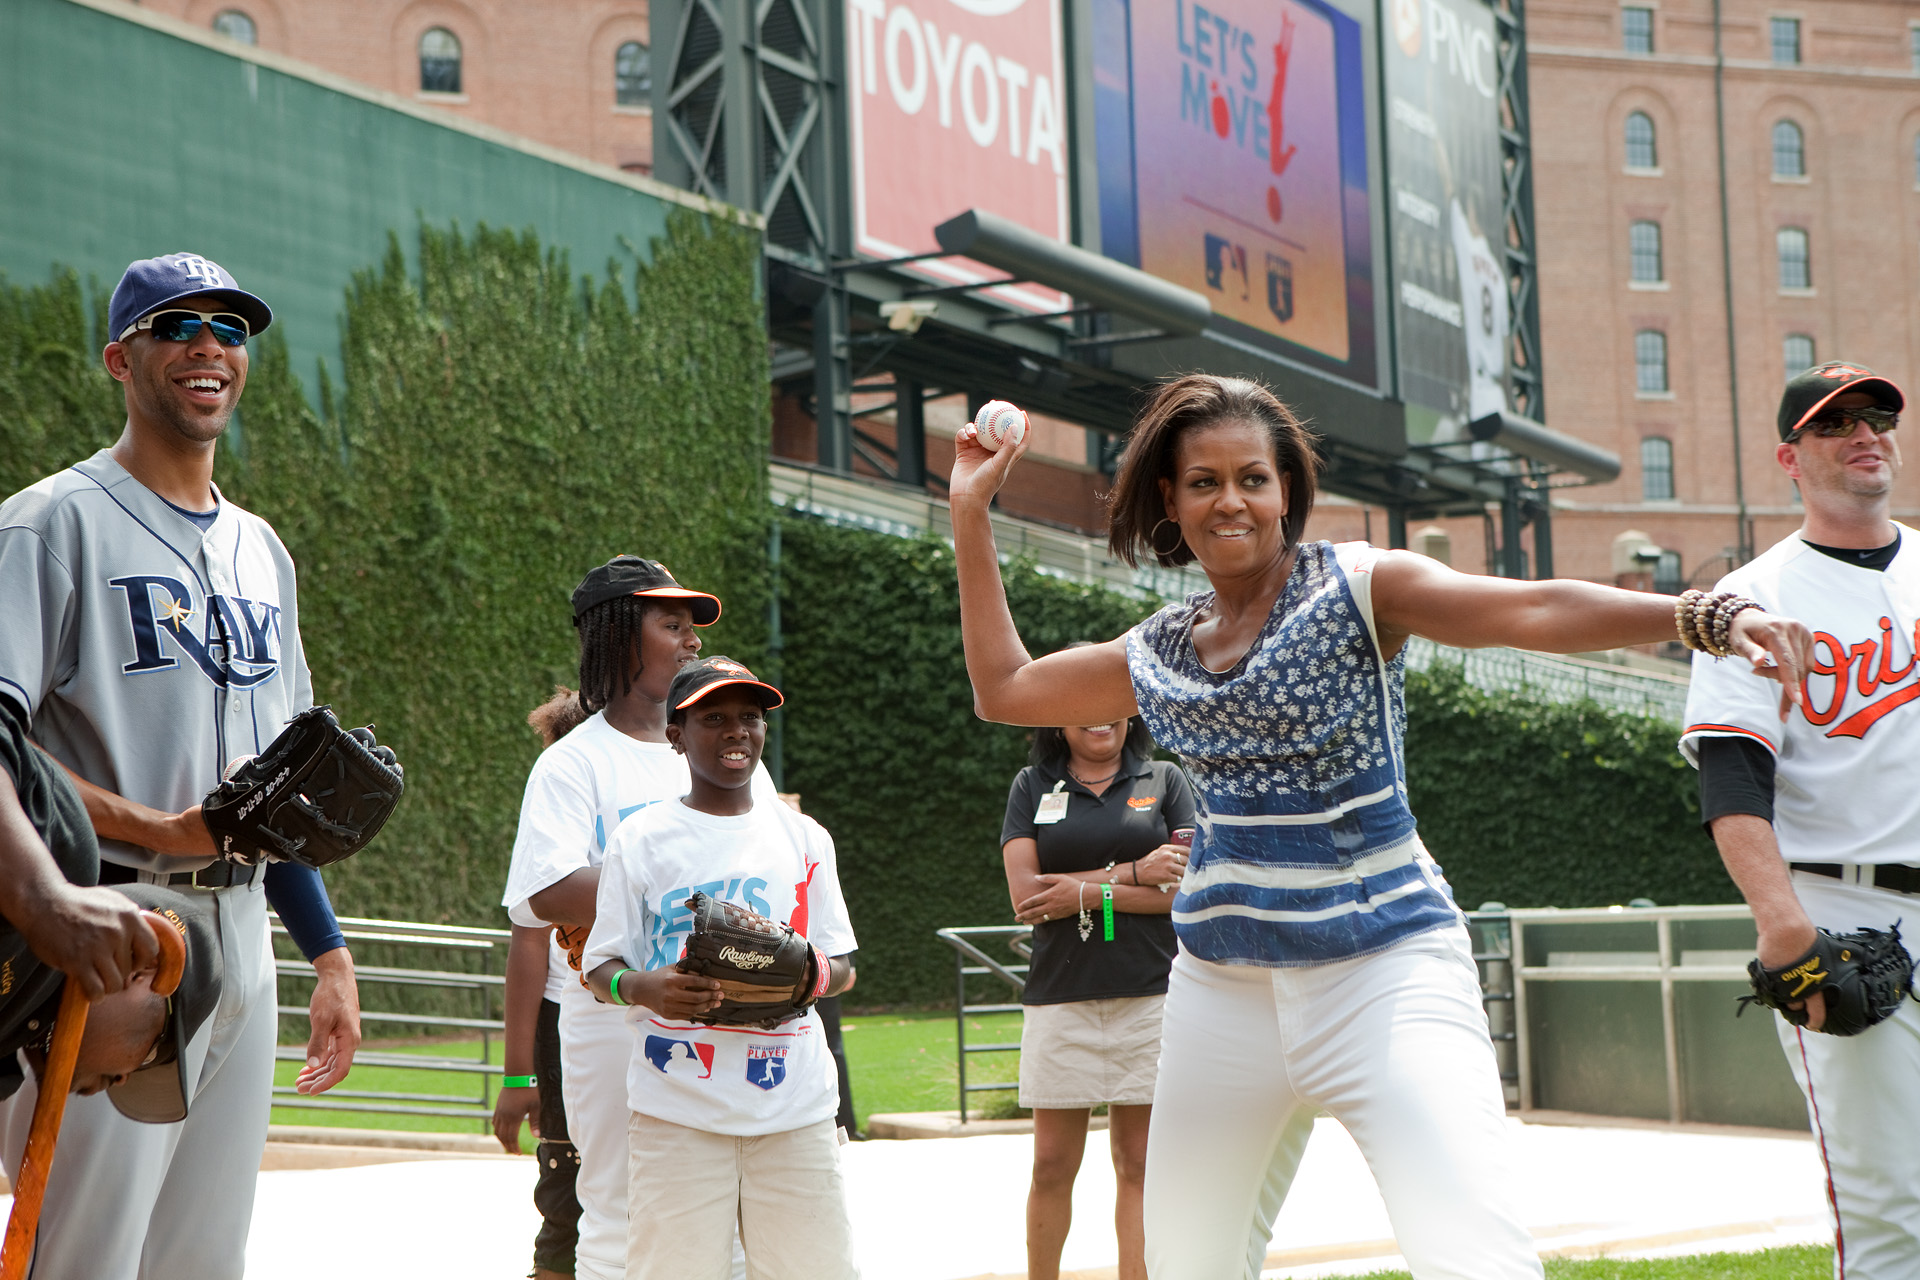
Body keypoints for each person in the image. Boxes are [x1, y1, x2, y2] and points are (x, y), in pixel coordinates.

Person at [948, 374, 1813, 1280]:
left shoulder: (1358, 588)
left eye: (1253, 476)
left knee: (1470, 1254)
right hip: (1221, 989)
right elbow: (1003, 690)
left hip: (1384, 969)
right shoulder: (1158, 651)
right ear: (1170, 498)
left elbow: (1528, 607)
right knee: (1188, 1264)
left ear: (1286, 488)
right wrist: (972, 510)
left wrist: (1705, 613)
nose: (1230, 500)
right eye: (1203, 481)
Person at [0, 252, 362, 1278]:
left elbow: (274, 788)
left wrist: (327, 954)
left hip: (244, 933)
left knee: (206, 1256)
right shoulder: (51, 522)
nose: (210, 345)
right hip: (111, 924)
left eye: (232, 329)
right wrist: (157, 831)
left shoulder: (262, 550)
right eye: (178, 326)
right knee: (86, 1252)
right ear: (122, 358)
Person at [1681, 361, 1920, 1279]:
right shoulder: (1755, 599)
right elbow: (1733, 781)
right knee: (1888, 1205)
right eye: (1835, 424)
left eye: (1876, 418)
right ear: (1791, 456)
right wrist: (1784, 928)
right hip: (1846, 908)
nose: (1865, 434)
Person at [501, 556, 775, 1280]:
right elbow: (545, 890)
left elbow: (773, 865)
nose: (690, 642)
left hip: (726, 1009)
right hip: (612, 1015)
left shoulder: (723, 748)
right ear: (618, 635)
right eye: (671, 625)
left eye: (693, 629)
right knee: (621, 1211)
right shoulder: (574, 764)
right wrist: (680, 876)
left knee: (734, 1215)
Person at [581, 655, 859, 1280]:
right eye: (714, 718)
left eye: (751, 717)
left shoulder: (805, 837)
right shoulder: (642, 838)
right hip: (677, 1104)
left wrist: (809, 975)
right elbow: (600, 967)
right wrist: (643, 987)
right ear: (676, 735)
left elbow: (841, 964)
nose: (737, 730)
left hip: (795, 1105)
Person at [1000, 701, 1195, 1280]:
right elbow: (1029, 898)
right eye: (1081, 709)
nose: (1099, 719)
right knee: (1051, 1165)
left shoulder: (1165, 780)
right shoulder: (1032, 785)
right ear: (1056, 720)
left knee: (1139, 1163)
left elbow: (1183, 888)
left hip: (1151, 995)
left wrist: (1082, 893)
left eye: (1112, 707)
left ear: (1130, 717)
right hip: (1061, 998)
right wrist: (1134, 873)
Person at [0, 697, 222, 1119]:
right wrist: (41, 898)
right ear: (144, 966)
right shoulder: (65, 850)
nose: (120, 1080)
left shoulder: (7, 1049)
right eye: (153, 1054)